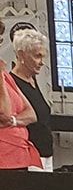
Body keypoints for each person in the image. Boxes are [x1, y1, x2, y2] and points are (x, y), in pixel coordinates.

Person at [9, 24, 54, 168]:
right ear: (22, 55)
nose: (42, 62)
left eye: (42, 56)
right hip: (29, 157)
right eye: (37, 56)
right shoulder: (11, 83)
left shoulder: (32, 79)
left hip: (45, 155)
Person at [0, 47, 43, 171]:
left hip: (20, 157)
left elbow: (31, 114)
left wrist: (13, 121)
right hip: (4, 160)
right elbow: (3, 112)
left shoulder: (7, 77)